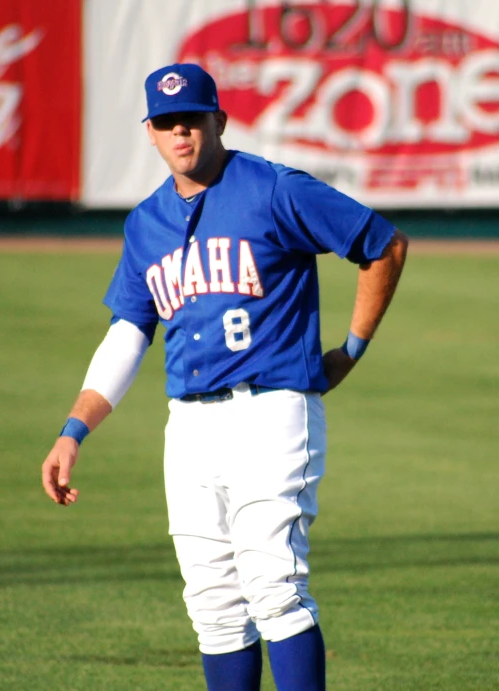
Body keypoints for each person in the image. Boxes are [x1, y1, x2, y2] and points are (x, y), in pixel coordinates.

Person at [41, 63, 408, 691]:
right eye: (166, 123)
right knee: (212, 604)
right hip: (189, 425)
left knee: (274, 587)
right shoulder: (145, 223)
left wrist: (349, 350)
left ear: (220, 121)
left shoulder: (274, 189)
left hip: (273, 411)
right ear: (151, 133)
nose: (180, 132)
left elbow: (382, 245)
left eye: (192, 119)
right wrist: (75, 429)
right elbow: (129, 333)